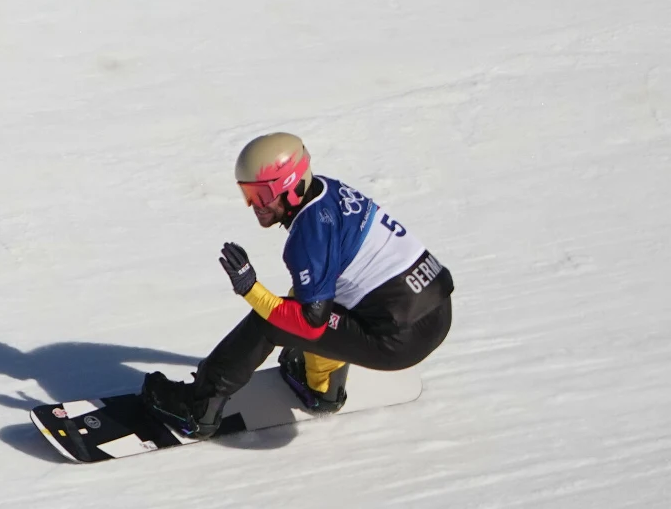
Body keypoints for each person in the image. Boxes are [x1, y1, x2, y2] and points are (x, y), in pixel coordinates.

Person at [141, 132, 454, 438]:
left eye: (262, 195)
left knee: (270, 319)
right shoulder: (328, 189)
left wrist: (250, 287)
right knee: (308, 295)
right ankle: (322, 387)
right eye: (248, 195)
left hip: (399, 341)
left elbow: (309, 325)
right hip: (436, 310)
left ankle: (198, 410)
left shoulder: (307, 237)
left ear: (291, 188)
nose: (254, 206)